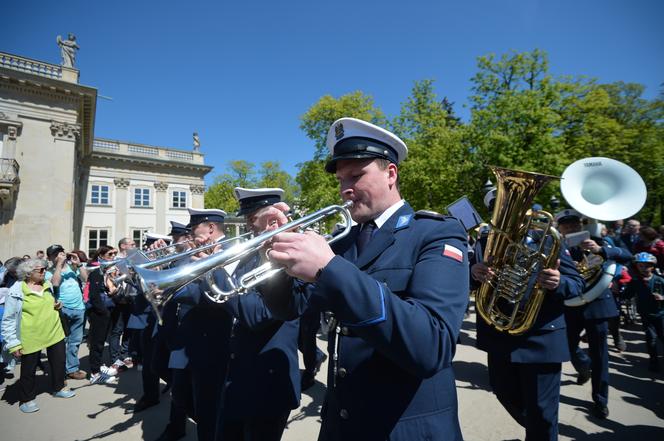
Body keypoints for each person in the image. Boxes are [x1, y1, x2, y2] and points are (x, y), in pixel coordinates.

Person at [258, 117, 469, 440]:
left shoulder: (436, 233)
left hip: (404, 427)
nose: (345, 189)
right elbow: (288, 307)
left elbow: (432, 345)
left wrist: (330, 269)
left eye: (356, 175)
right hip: (342, 423)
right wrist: (274, 251)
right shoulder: (341, 242)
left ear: (391, 174)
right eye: (341, 179)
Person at [470, 208, 584, 440]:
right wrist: (473, 273)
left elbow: (577, 284)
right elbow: (467, 281)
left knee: (542, 412)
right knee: (504, 393)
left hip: (541, 337)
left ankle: (542, 433)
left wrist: (559, 282)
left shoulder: (550, 239)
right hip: (500, 334)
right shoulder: (486, 240)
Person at [216, 187, 301, 441]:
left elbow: (258, 315)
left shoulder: (287, 256)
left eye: (251, 219)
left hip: (267, 381)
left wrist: (217, 272)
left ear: (273, 220)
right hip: (241, 372)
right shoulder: (253, 254)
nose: (248, 226)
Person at [555, 209, 632, 419]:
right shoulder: (556, 246)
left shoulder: (598, 241)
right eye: (566, 224)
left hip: (597, 305)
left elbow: (627, 255)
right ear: (560, 228)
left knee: (600, 355)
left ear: (580, 225)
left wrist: (600, 250)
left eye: (574, 224)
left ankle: (600, 400)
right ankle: (584, 367)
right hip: (571, 305)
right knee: (568, 347)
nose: (571, 227)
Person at [166, 207, 233, 441]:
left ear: (211, 228)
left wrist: (173, 290)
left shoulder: (230, 250)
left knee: (208, 406)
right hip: (190, 335)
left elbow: (216, 296)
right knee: (183, 393)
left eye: (195, 228)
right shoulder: (198, 250)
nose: (191, 233)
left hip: (213, 339)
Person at [1, 258, 75, 413]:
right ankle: (26, 399)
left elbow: (50, 302)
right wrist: (13, 343)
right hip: (31, 336)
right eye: (41, 270)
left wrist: (57, 304)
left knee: (59, 363)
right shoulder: (16, 290)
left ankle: (58, 387)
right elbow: (8, 319)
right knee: (28, 370)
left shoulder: (47, 285)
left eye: (44, 269)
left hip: (54, 332)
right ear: (29, 273)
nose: (44, 272)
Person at [45, 244, 88, 380]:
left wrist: (79, 264)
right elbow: (55, 283)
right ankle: (60, 370)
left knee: (75, 341)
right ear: (50, 257)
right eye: (55, 254)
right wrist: (58, 265)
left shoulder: (72, 268)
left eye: (61, 252)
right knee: (62, 342)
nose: (59, 255)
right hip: (63, 309)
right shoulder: (48, 271)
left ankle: (72, 369)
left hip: (79, 308)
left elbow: (86, 279)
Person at [624, 252, 664, 372]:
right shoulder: (635, 281)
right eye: (640, 266)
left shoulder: (660, 280)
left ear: (652, 266)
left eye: (646, 266)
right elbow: (627, 295)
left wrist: (663, 298)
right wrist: (617, 287)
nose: (643, 268)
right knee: (650, 338)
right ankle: (653, 361)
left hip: (661, 314)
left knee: (663, 336)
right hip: (646, 315)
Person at [87, 246, 120, 384]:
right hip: (99, 313)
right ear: (101, 256)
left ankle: (98, 368)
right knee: (97, 342)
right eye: (110, 254)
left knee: (100, 341)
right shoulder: (96, 273)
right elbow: (94, 296)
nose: (113, 256)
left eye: (114, 253)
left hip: (105, 312)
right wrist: (104, 312)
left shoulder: (106, 272)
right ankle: (95, 373)